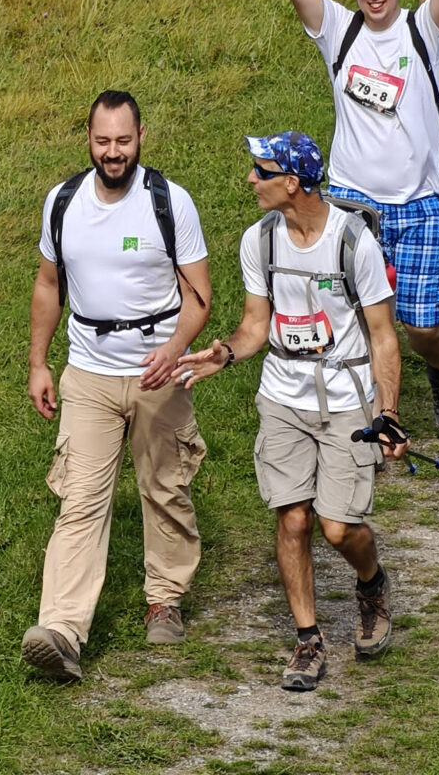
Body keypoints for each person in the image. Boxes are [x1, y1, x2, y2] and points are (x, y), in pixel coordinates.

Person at [173, 132, 407, 691]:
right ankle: (308, 640)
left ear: (293, 183)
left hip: (348, 399)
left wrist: (389, 413)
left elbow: (383, 336)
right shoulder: (261, 242)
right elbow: (257, 324)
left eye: (261, 171)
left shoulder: (354, 244)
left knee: (338, 527)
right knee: (293, 517)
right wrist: (226, 353)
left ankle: (371, 584)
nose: (250, 181)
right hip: (283, 397)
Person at [248, 0, 439, 433]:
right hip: (350, 201)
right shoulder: (339, 32)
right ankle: (362, 420)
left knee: (421, 325)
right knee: (356, 319)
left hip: (418, 203)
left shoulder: (423, 31)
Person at [22, 90, 212, 682]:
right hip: (88, 374)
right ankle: (62, 630)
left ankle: (165, 600)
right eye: (103, 142)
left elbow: (198, 295)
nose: (113, 153)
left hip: (158, 372)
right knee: (80, 500)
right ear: (88, 138)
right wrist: (39, 363)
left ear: (141, 137)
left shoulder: (168, 202)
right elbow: (48, 287)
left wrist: (175, 350)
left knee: (165, 489)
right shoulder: (64, 202)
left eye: (123, 141)